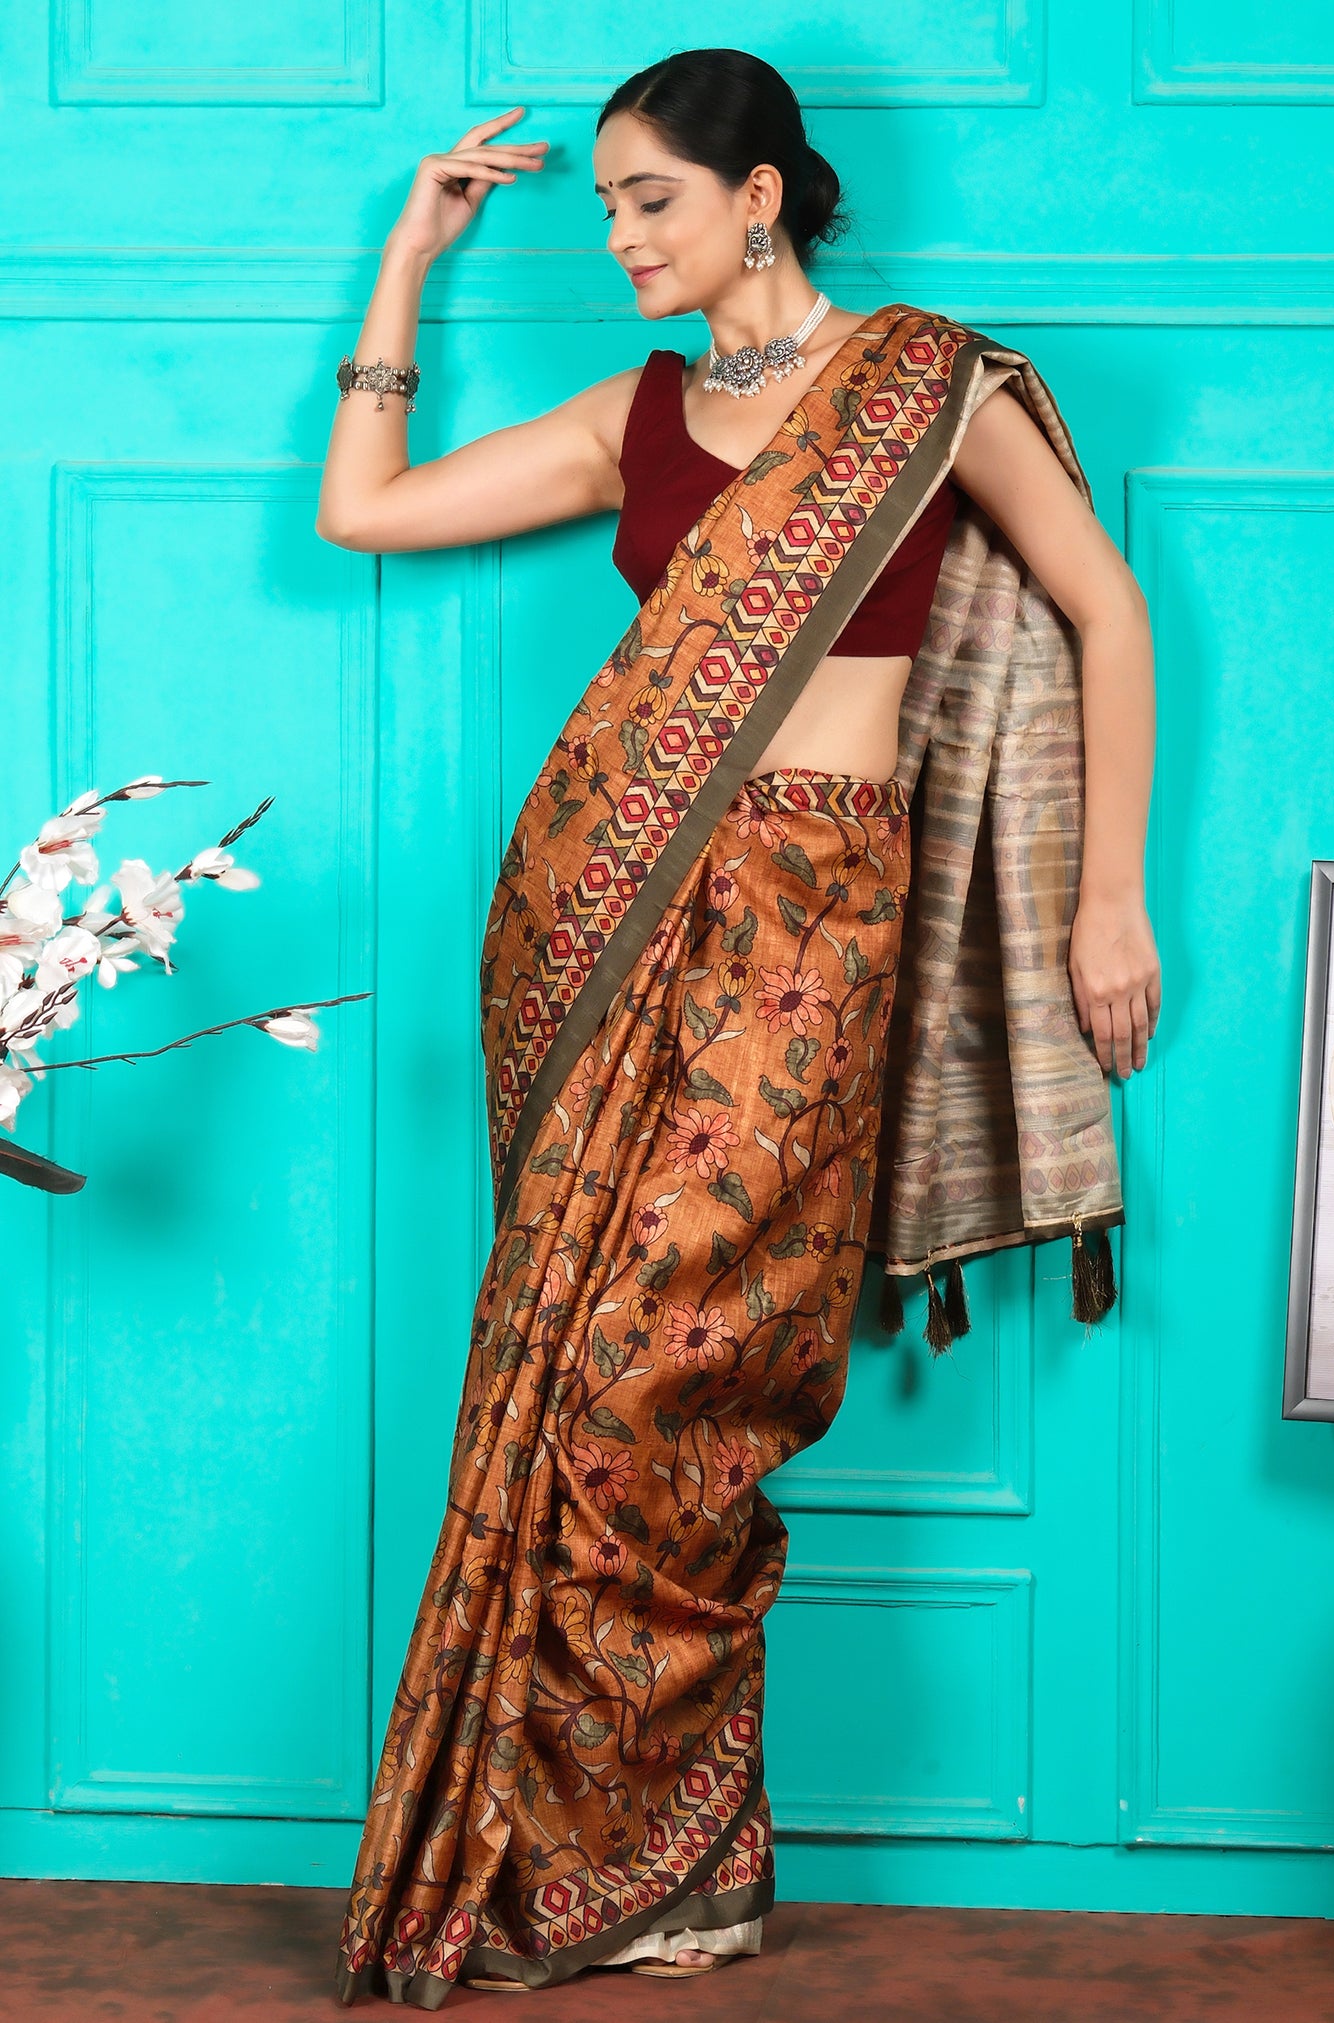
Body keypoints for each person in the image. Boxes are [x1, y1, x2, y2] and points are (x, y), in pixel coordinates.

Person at [321, 47, 1160, 2006]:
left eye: (648, 200)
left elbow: (1103, 607)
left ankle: (683, 1847)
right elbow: (364, 508)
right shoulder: (641, 415)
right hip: (614, 920)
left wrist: (1103, 894)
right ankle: (637, 1867)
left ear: (761, 194)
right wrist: (409, 255)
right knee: (563, 1396)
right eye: (605, 204)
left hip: (815, 925)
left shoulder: (926, 386)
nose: (617, 234)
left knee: (674, 1393)